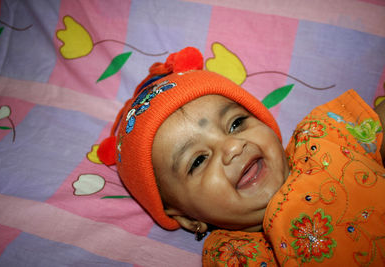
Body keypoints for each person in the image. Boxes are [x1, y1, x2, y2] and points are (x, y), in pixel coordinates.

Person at [97, 47, 385, 266]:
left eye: (236, 124)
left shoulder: (321, 136)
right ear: (187, 219)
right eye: (198, 160)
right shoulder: (231, 254)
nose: (232, 147)